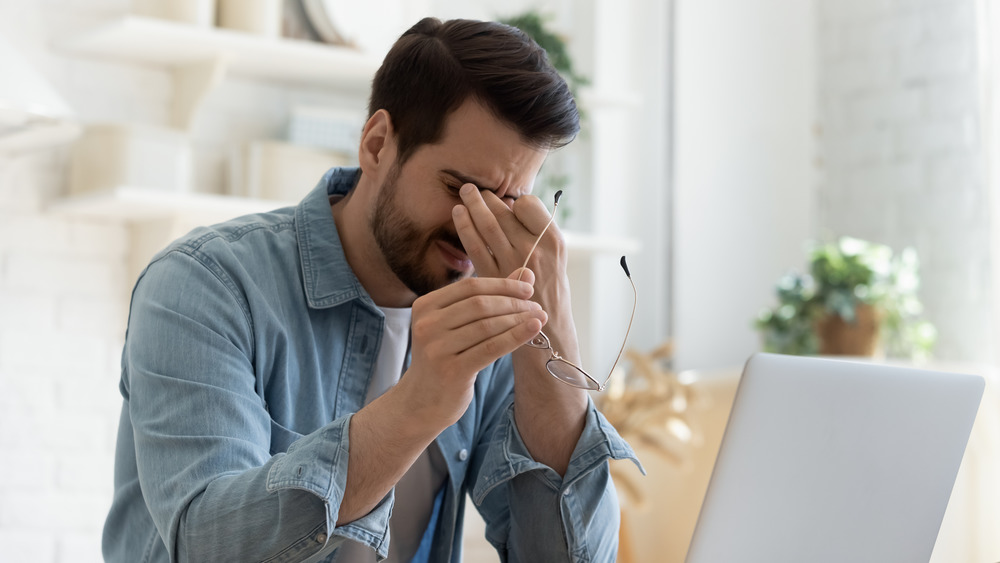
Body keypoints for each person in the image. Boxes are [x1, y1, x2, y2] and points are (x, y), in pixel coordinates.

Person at [103, 16, 639, 563]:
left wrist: (555, 335)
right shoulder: (205, 286)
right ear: (378, 144)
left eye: (509, 203)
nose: (476, 226)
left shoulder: (492, 316)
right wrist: (419, 404)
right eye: (463, 188)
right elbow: (208, 548)